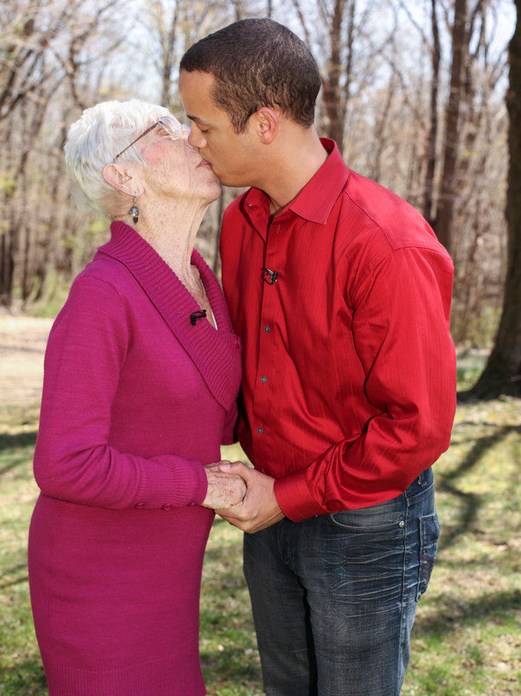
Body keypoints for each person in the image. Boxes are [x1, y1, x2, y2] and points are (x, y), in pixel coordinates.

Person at [179, 18, 457, 696]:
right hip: (271, 512)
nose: (193, 141)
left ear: (265, 124)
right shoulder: (242, 221)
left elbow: (416, 427)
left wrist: (291, 496)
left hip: (366, 524)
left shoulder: (386, 243)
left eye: (203, 125)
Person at [27, 99, 245, 696]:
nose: (193, 140)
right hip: (97, 577)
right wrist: (201, 484)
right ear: (124, 176)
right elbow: (64, 465)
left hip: (170, 572)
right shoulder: (102, 295)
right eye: (167, 132)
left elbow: (219, 415)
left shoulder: (204, 283)